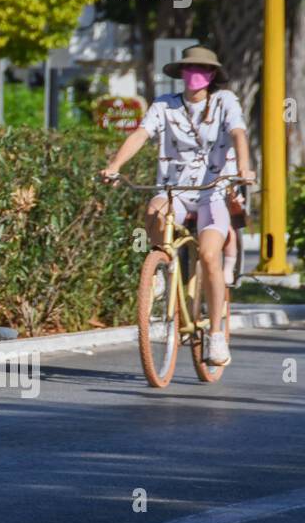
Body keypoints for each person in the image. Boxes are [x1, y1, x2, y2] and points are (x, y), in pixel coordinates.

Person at [99, 45, 256, 366]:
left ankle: (215, 336)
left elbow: (239, 134)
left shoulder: (225, 102)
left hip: (213, 191)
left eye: (203, 70)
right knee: (154, 210)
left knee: (210, 256)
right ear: (181, 73)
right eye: (190, 68)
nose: (195, 75)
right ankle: (162, 268)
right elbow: (140, 134)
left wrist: (243, 168)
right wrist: (115, 165)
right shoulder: (164, 105)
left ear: (212, 75)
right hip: (174, 189)